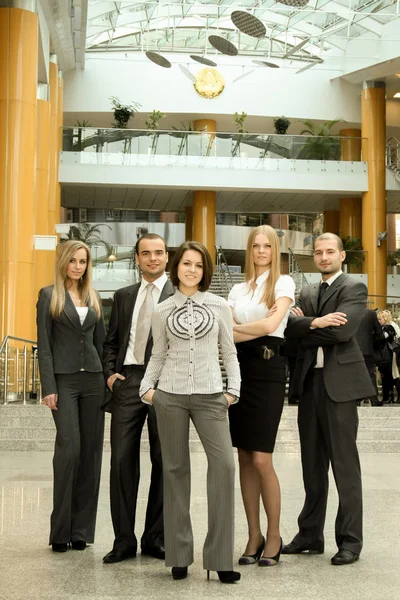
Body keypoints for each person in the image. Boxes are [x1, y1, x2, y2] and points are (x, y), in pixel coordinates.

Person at [139, 241, 241, 584]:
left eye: (198, 265)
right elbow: (158, 353)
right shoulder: (163, 309)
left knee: (225, 467)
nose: (192, 269)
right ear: (176, 267)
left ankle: (220, 557)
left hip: (212, 396)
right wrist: (147, 390)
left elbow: (229, 351)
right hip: (170, 395)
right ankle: (179, 555)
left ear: (205, 270)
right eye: (186, 263)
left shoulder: (219, 305)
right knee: (174, 471)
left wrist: (232, 391)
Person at [283, 233, 374, 566]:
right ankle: (309, 534)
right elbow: (288, 331)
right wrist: (312, 324)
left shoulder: (353, 288)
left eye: (329, 252)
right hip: (309, 385)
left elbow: (341, 332)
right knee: (311, 465)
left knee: (344, 466)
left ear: (342, 255)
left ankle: (350, 540)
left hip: (340, 386)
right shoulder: (306, 291)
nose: (323, 257)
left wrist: (303, 325)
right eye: (318, 252)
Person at [102, 234, 174, 564]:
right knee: (121, 462)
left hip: (165, 384)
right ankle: (123, 540)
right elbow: (112, 341)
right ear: (137, 258)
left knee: (163, 461)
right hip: (129, 381)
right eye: (146, 253)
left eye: (158, 253)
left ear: (167, 257)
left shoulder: (179, 295)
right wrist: (109, 374)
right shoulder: (123, 296)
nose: (152, 258)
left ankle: (155, 537)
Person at [227, 225, 295, 567]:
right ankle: (252, 535)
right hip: (240, 372)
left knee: (261, 459)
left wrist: (236, 329)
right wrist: (241, 330)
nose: (261, 251)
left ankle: (274, 535)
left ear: (275, 250)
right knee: (243, 457)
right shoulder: (238, 288)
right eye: (256, 245)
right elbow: (222, 330)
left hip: (268, 373)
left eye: (267, 245)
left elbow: (271, 328)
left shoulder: (283, 284)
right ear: (249, 249)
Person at [36, 240, 106, 553]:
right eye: (74, 261)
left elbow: (102, 343)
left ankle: (80, 531)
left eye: (83, 262)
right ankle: (59, 530)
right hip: (63, 382)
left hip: (93, 380)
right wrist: (48, 386)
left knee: (90, 453)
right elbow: (45, 345)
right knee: (69, 449)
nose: (78, 266)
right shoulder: (48, 295)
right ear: (64, 261)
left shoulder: (93, 296)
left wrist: (108, 378)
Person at [355, 308, 384, 406]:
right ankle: (374, 400)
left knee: (355, 374)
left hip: (353, 350)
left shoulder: (349, 311)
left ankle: (356, 400)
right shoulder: (371, 314)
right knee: (371, 375)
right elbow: (379, 332)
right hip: (368, 350)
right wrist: (371, 341)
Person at [376, 310, 397, 404]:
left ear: (385, 318)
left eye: (380, 319)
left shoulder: (389, 328)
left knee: (388, 376)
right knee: (384, 376)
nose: (378, 321)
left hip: (387, 355)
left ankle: (388, 396)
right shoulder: (383, 328)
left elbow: (382, 339)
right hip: (383, 356)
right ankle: (386, 396)